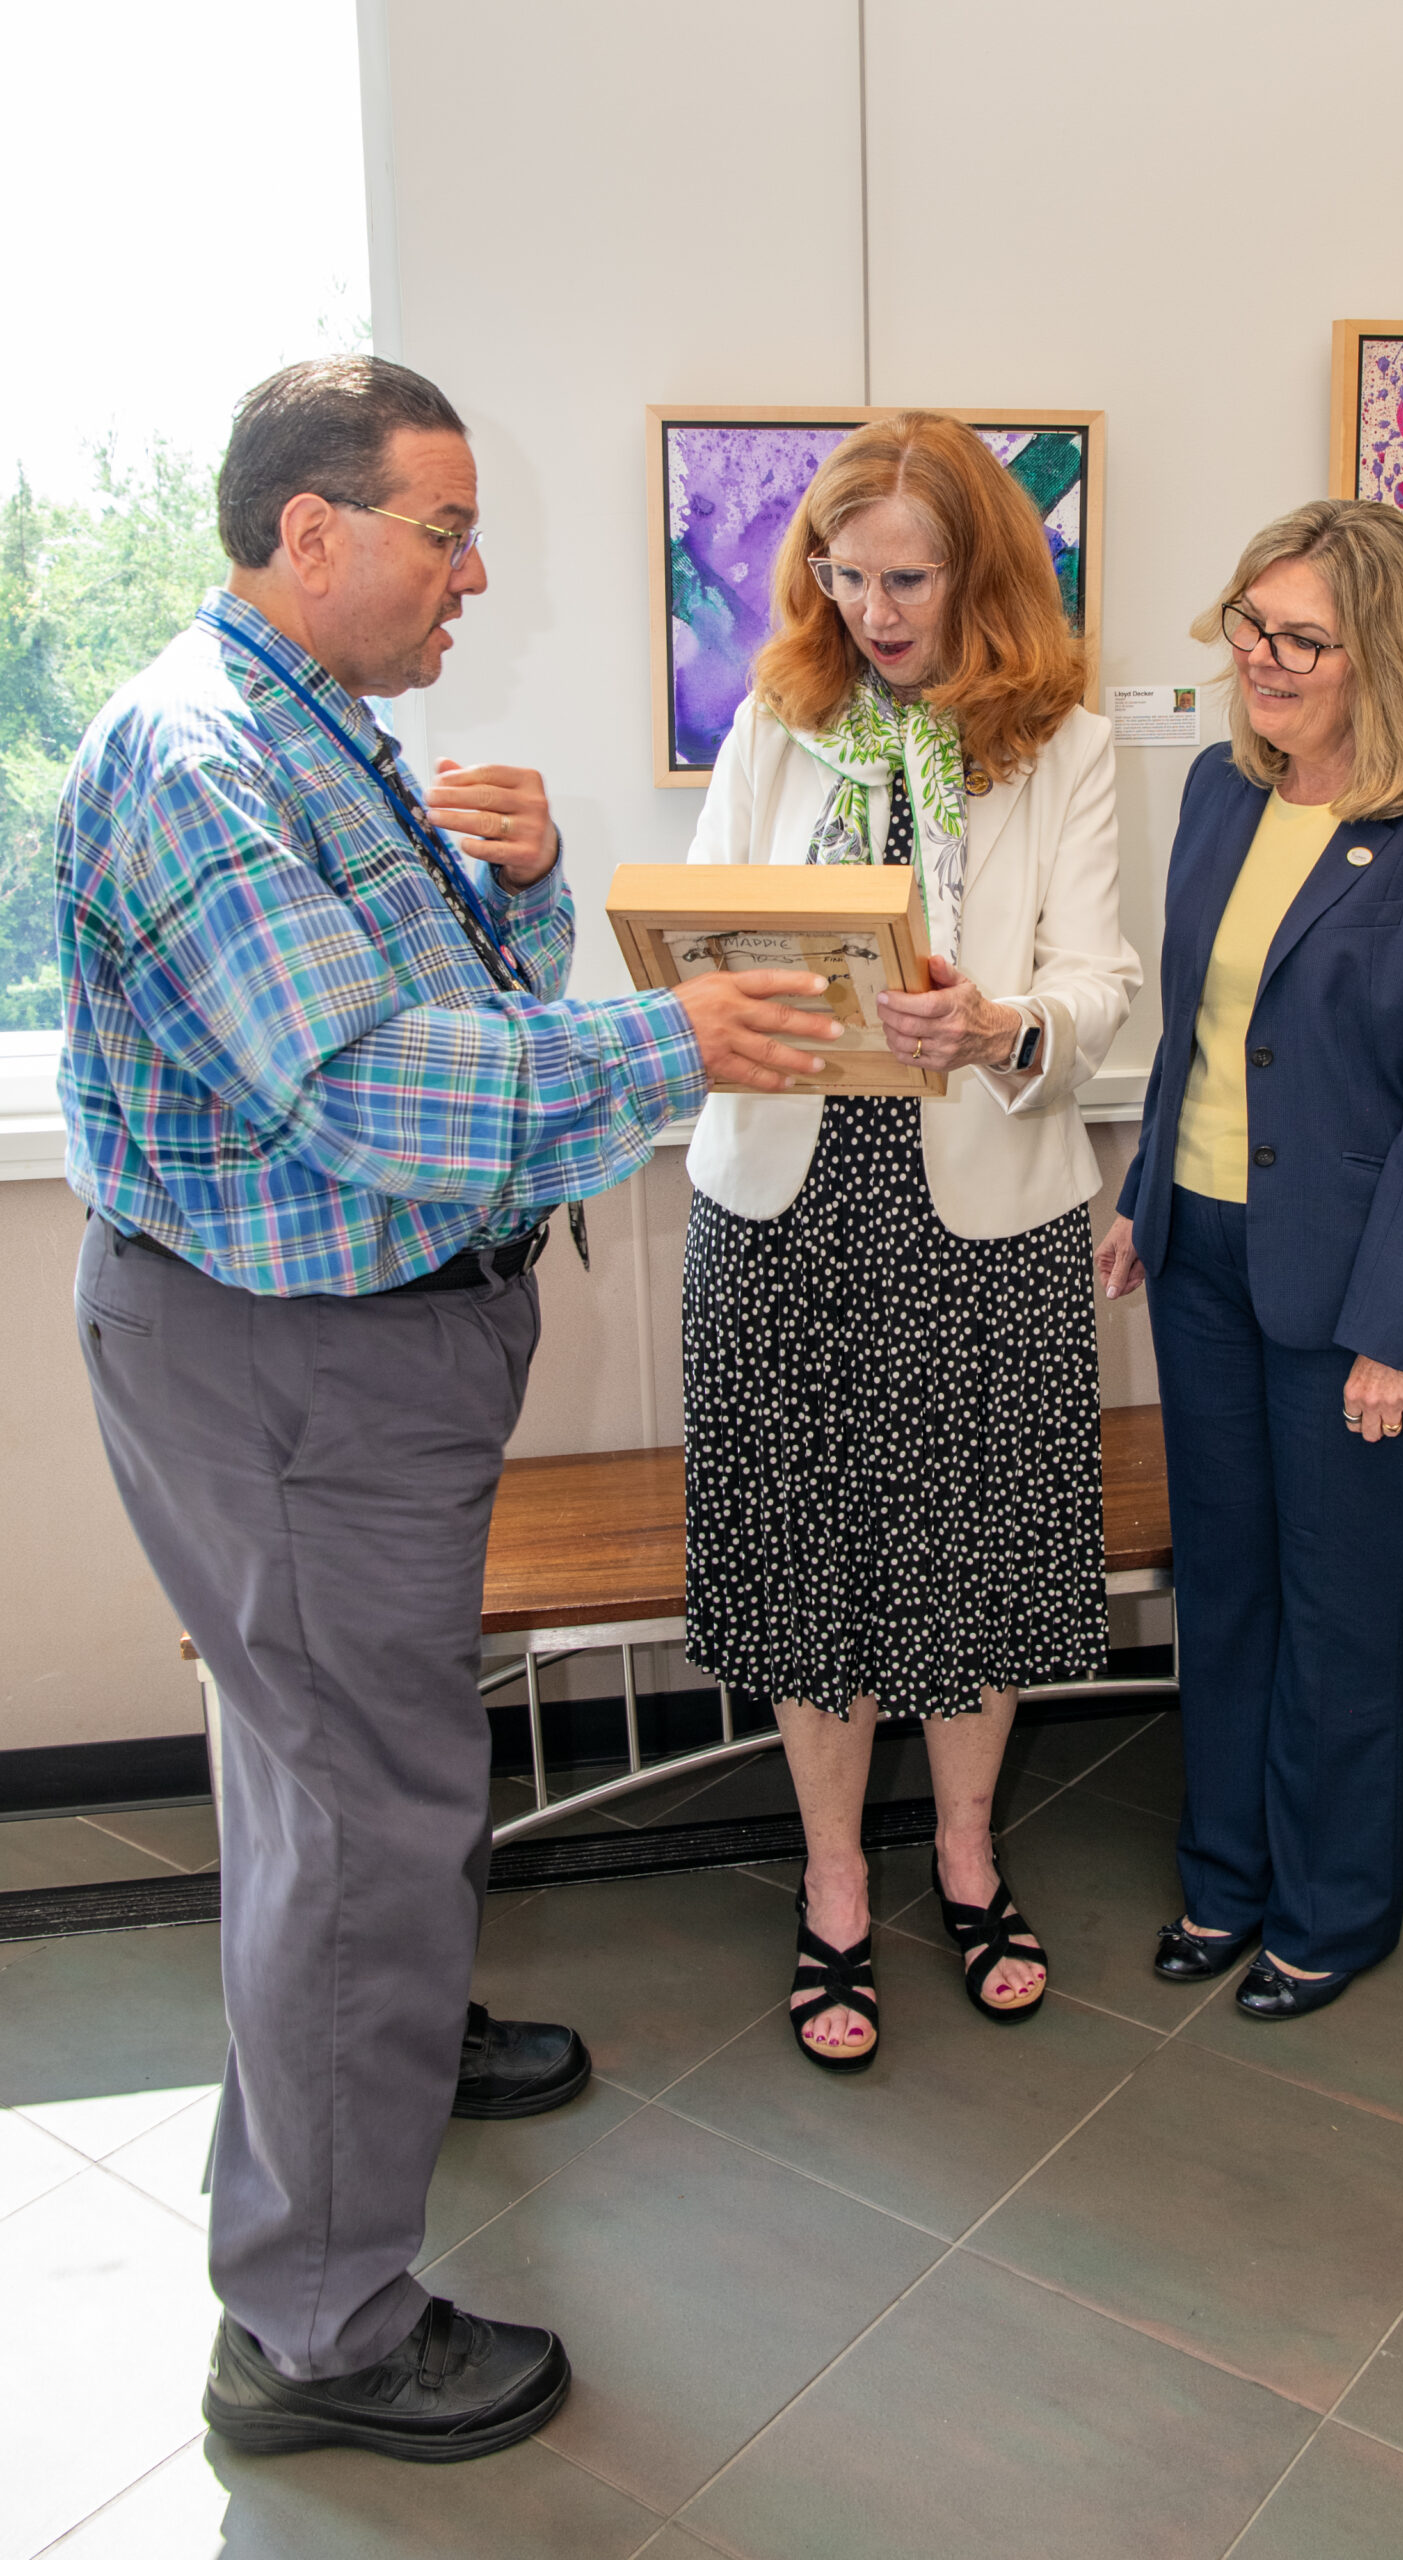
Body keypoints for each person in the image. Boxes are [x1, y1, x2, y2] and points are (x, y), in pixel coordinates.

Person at [58, 356, 830, 2459]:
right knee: (359, 1819)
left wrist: (532, 886)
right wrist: (675, 1043)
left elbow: (455, 1009)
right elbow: (369, 1090)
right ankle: (313, 2324)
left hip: (352, 1362)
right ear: (310, 533)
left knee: (352, 1787)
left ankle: (373, 2053)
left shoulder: (322, 731)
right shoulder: (199, 759)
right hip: (292, 1368)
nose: (474, 574)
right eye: (447, 530)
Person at [681, 410, 1139, 2071]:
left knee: (977, 1551)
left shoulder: (1064, 740)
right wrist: (727, 977)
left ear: (982, 573)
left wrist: (1004, 1024)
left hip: (983, 1200)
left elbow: (1102, 979)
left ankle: (963, 1853)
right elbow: (707, 924)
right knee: (811, 1553)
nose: (870, 610)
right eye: (846, 574)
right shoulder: (777, 718)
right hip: (785, 1195)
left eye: (908, 579)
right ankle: (831, 1883)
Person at [1097, 499, 1403, 2018]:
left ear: (1384, 658)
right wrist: (1145, 1196)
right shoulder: (1223, 791)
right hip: (1203, 1254)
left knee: (1343, 1607)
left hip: (1357, 1290)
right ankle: (1226, 1877)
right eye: (1250, 626)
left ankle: (1332, 1910)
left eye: (1303, 640)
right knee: (1224, 1585)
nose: (1263, 661)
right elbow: (1198, 1029)